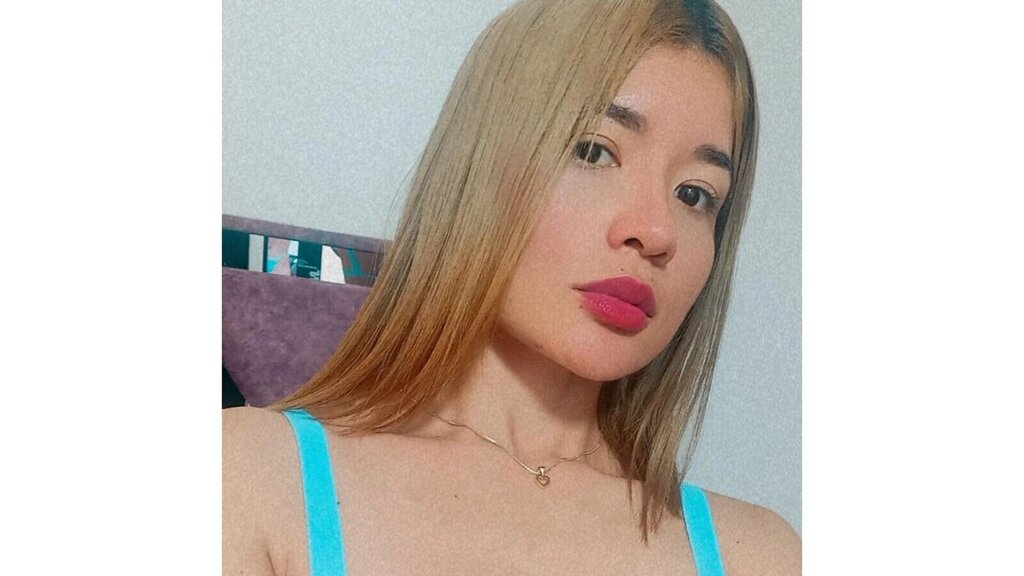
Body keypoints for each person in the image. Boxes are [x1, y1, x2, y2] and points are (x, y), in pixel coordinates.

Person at [224, 0, 801, 573]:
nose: (656, 231)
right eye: (594, 151)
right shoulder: (248, 481)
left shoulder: (761, 556)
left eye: (695, 194)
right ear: (480, 163)